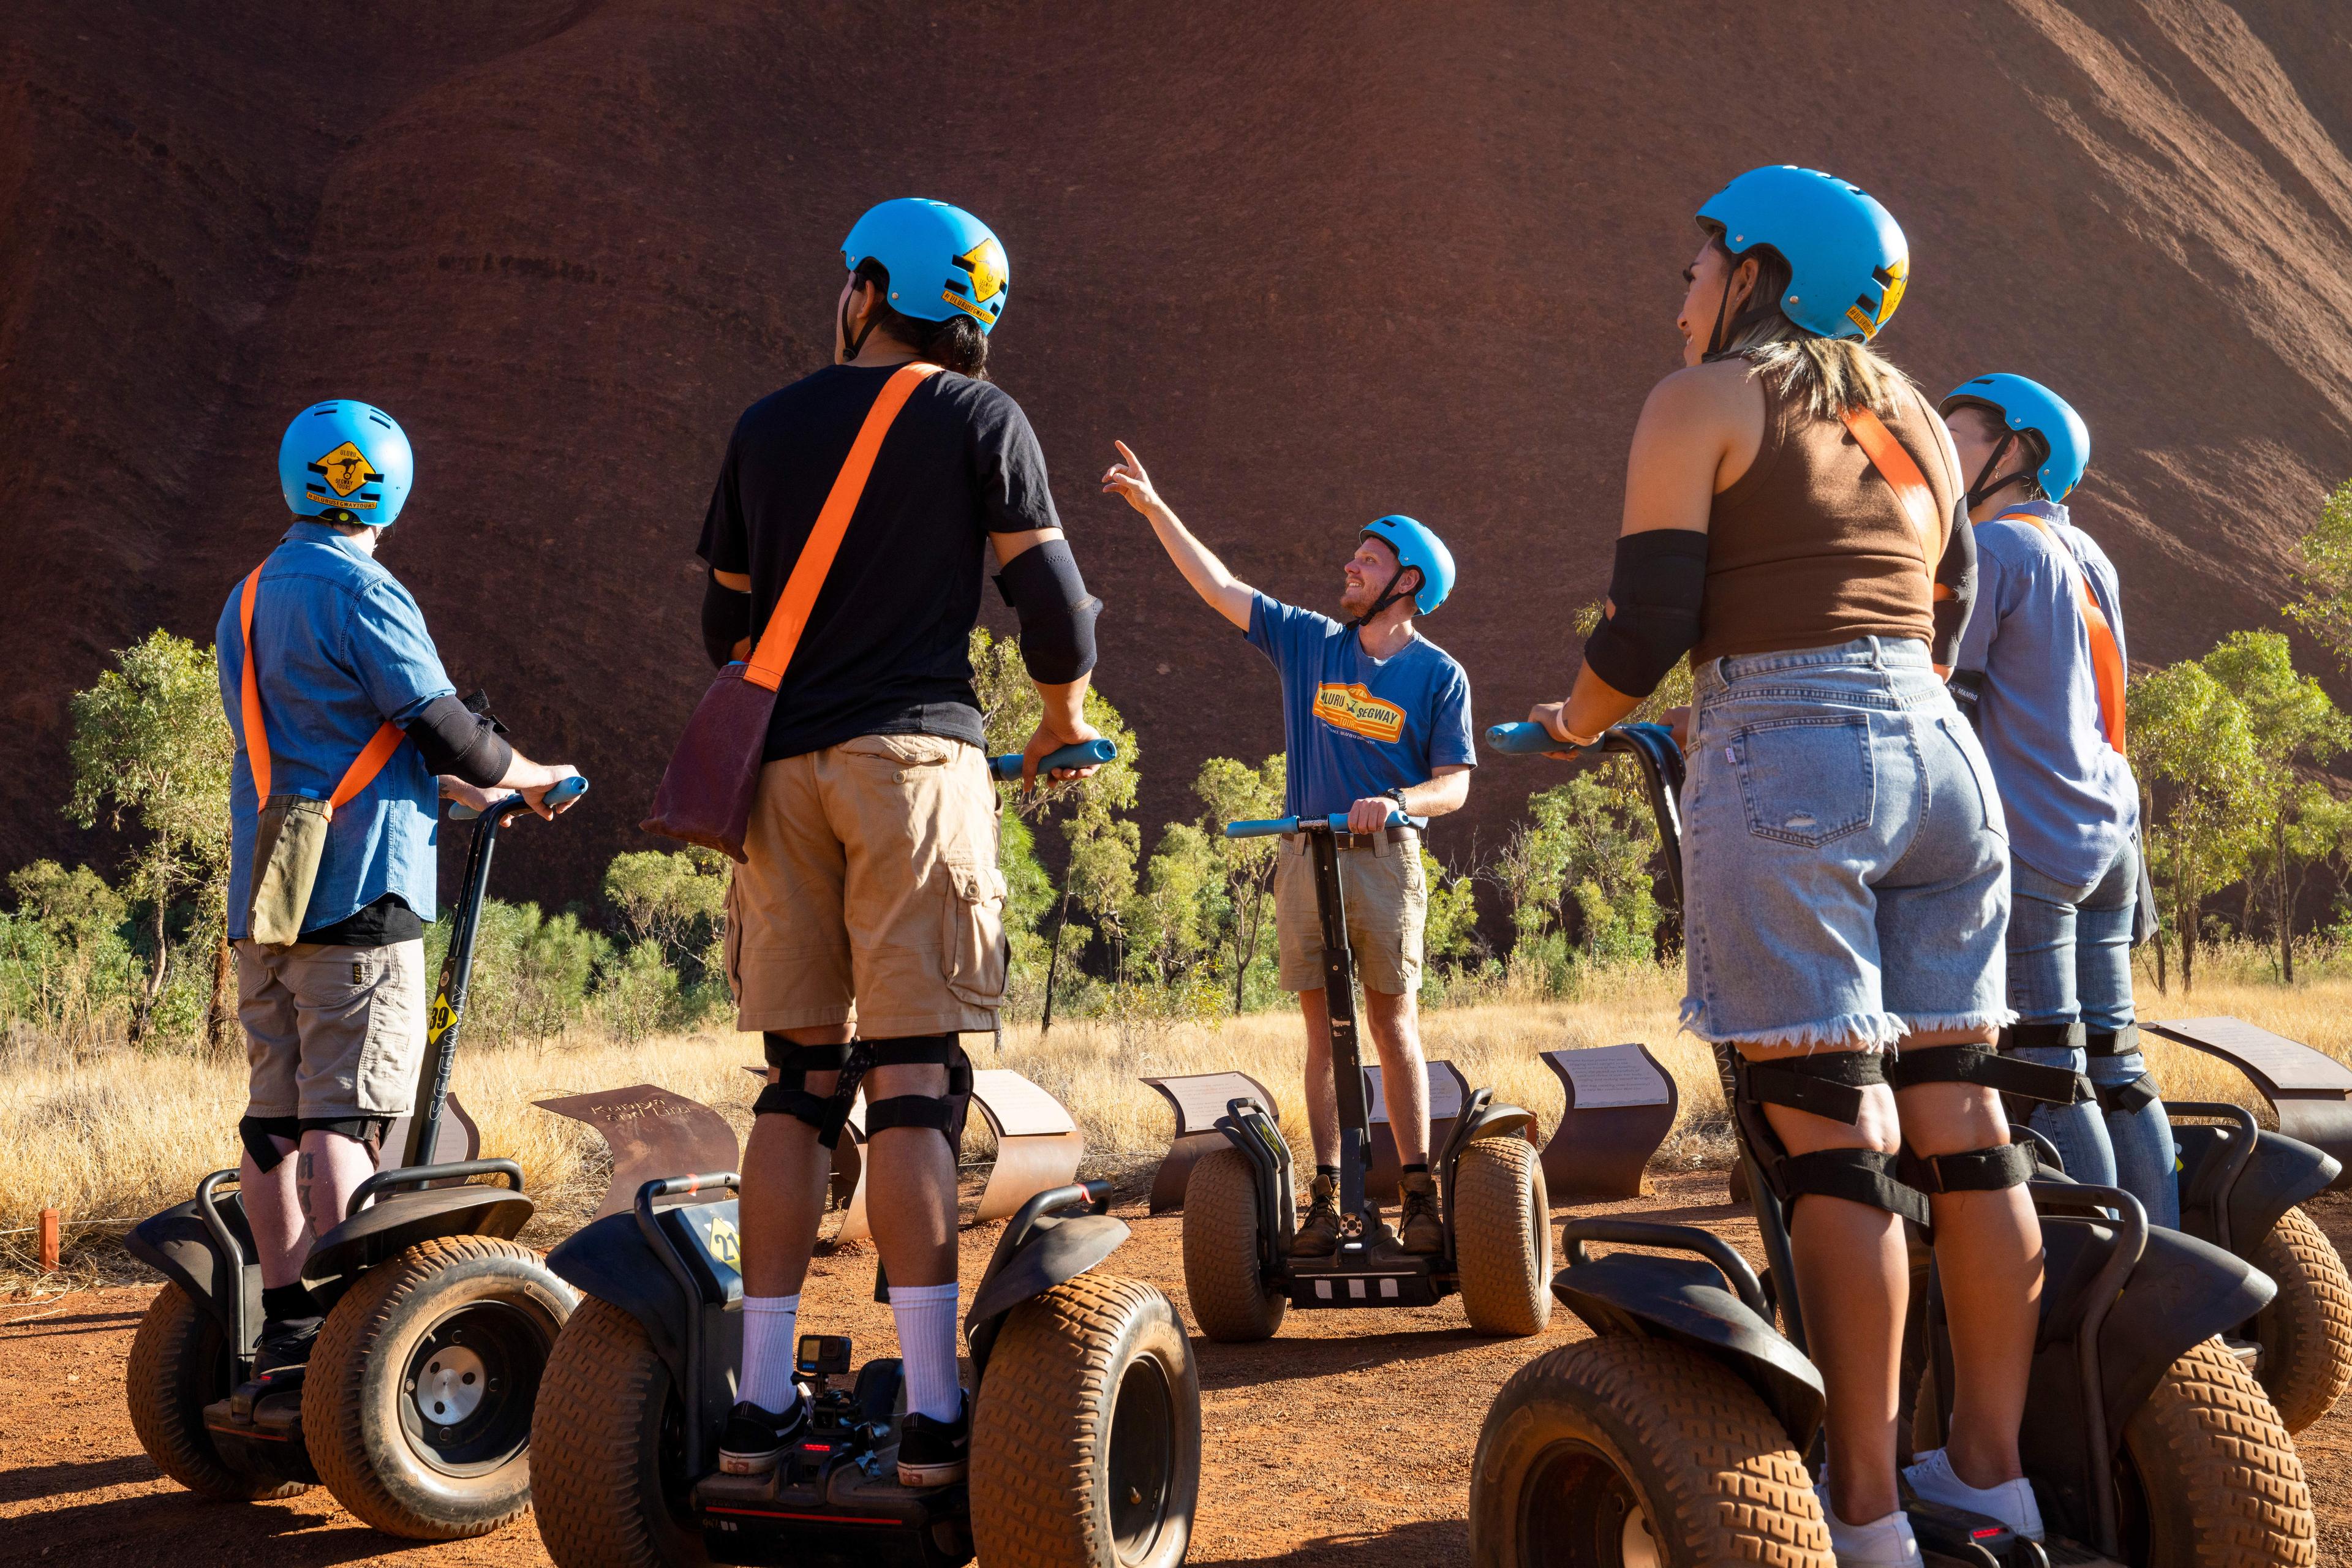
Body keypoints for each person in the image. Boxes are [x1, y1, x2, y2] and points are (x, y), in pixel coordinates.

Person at [1523, 166, 2060, 1561]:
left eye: (1697, 267)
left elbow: (1647, 623)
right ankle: (1996, 1477)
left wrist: (1576, 722)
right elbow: (1934, 622)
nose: (1682, 293)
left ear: (1757, 273)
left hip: (1794, 748)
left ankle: (1867, 1511)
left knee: (1833, 1134)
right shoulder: (1921, 429)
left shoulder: (1701, 400)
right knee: (1960, 1116)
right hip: (1945, 762)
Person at [700, 198, 1102, 1485]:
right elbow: (1056, 611)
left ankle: (760, 1404)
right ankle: (932, 1409)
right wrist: (1060, 717)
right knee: (915, 1081)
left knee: (796, 1085)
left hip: (783, 776)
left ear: (868, 290)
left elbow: (724, 633)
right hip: (916, 764)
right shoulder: (983, 418)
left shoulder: (765, 426)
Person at [219, 401, 578, 1386]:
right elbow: (445, 726)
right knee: (351, 1116)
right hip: (362, 886)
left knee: (274, 1117)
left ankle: (286, 1316)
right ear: (392, 488)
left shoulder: (248, 596)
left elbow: (326, 735)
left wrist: (458, 785)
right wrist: (530, 773)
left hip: (270, 889)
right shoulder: (366, 591)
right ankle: (357, 1328)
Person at [1105, 445, 1472, 1257]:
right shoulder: (1311, 642)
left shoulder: (1440, 676)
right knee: (1321, 1027)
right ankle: (1334, 1198)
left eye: (1370, 560)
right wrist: (1156, 508)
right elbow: (1220, 588)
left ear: (1407, 583)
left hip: (1383, 859)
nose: (1351, 565)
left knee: (1390, 1023)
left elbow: (1456, 785)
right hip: (1305, 853)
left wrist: (1398, 803)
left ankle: (1418, 1195)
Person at [1942, 376, 2175, 1226]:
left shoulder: (1995, 549)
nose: (1940, 451)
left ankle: (2109, 1281)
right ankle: (2166, 1267)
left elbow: (1949, 705)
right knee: (2115, 1056)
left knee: (2050, 1063)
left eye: (1958, 438)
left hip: (2037, 837)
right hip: (2109, 835)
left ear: (2019, 452)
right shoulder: (2087, 553)